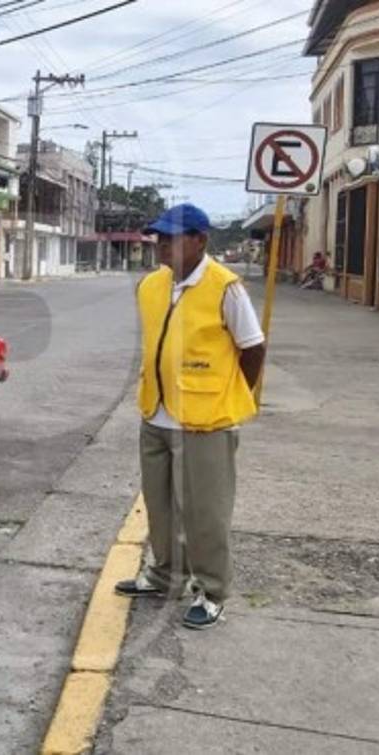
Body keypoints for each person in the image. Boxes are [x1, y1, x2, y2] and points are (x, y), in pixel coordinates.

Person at [115, 203, 267, 630]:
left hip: (206, 423)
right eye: (159, 237)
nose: (162, 244)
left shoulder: (225, 287)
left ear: (200, 241)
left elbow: (252, 348)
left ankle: (213, 590)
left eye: (173, 237)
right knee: (160, 508)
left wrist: (228, 397)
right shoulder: (151, 286)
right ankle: (165, 577)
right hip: (156, 414)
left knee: (206, 513)